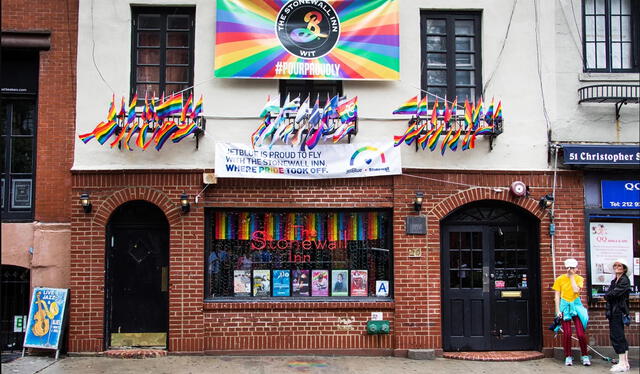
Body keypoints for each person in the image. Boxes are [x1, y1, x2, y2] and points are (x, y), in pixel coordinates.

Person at [553, 258, 590, 366]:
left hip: (576, 305)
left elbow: (576, 290)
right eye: (569, 268)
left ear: (576, 268)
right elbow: (557, 295)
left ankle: (585, 355)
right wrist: (557, 310)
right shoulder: (560, 279)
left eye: (573, 268)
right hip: (565, 306)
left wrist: (572, 277)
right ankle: (568, 356)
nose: (570, 270)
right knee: (567, 333)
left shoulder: (579, 279)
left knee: (580, 334)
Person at [605, 258, 631, 372]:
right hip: (614, 310)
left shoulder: (624, 280)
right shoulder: (614, 281)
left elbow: (612, 294)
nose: (616, 267)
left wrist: (608, 295)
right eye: (615, 265)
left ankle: (622, 363)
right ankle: (624, 363)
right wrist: (609, 294)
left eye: (619, 265)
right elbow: (610, 294)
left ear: (624, 268)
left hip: (618, 311)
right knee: (618, 335)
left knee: (617, 336)